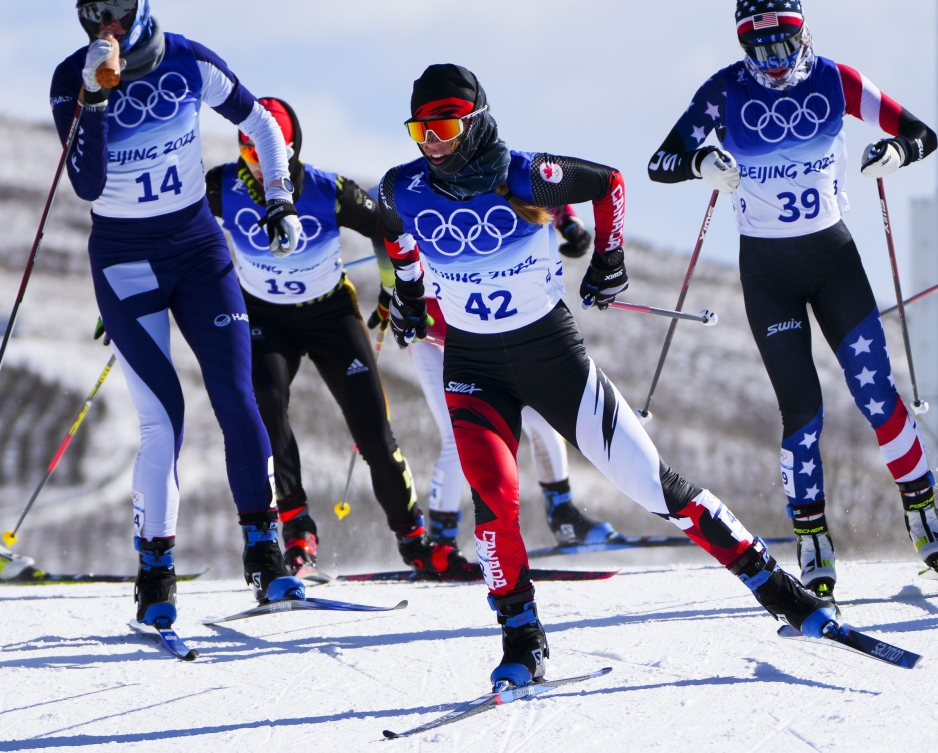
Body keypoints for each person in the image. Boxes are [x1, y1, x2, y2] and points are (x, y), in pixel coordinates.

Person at [379, 63, 834, 690]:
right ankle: (522, 638)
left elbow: (611, 184)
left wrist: (609, 260)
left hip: (551, 359)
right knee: (494, 506)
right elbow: (398, 235)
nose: (432, 143)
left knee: (654, 487)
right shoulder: (403, 185)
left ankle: (780, 590)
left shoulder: (525, 175)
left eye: (447, 126)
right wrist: (404, 295)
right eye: (420, 130)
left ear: (475, 121)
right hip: (474, 368)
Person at [648, 0, 938, 600]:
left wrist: (895, 153)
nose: (776, 63)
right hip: (769, 273)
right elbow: (661, 162)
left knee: (876, 394)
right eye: (762, 50)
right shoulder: (724, 91)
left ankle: (924, 511)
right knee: (802, 411)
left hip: (833, 262)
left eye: (786, 45)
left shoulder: (836, 78)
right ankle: (812, 539)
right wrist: (701, 161)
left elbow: (922, 133)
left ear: (805, 33)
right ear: (743, 46)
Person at [51, 0, 308, 625]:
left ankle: (264, 550)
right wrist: (94, 96)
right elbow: (85, 185)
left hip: (197, 251)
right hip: (124, 257)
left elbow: (265, 125)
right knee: (162, 418)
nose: (102, 24)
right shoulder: (70, 77)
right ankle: (156, 569)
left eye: (113, 8)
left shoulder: (188, 58)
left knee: (238, 397)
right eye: (90, 13)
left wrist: (278, 199)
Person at [205, 98, 472, 578]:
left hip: (329, 316)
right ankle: (297, 533)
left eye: (272, 153)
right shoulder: (222, 186)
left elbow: (389, 226)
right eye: (250, 152)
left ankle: (416, 542)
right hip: (265, 318)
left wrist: (395, 289)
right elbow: (173, 229)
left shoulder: (328, 190)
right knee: (266, 410)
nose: (261, 166)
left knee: (372, 429)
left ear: (293, 149)